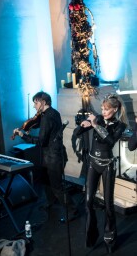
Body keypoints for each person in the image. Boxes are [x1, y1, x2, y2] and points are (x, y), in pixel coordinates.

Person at [12, 91, 79, 222]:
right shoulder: (53, 113)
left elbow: (41, 141)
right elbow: (41, 126)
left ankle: (73, 210)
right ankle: (51, 202)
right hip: (51, 154)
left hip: (53, 156)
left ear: (43, 102)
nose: (34, 106)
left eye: (35, 103)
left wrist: (23, 135)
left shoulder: (47, 117)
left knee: (57, 186)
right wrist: (30, 124)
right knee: (45, 180)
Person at [77, 93, 128, 253]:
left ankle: (110, 239)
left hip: (107, 165)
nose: (103, 112)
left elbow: (111, 141)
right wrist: (82, 124)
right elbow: (79, 132)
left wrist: (95, 125)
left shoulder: (120, 125)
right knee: (88, 202)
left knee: (108, 204)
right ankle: (91, 235)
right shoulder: (97, 118)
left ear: (115, 109)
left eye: (106, 109)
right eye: (102, 109)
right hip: (92, 163)